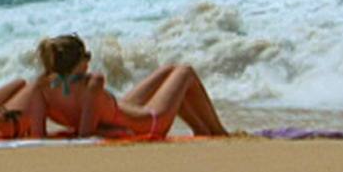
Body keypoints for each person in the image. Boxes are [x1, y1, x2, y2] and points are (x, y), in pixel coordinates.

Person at [28, 34, 229, 139]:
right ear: (79, 63)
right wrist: (107, 134)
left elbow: (38, 135)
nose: (89, 61)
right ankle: (218, 132)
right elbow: (86, 134)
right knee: (185, 71)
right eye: (86, 56)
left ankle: (202, 129)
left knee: (168, 70)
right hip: (149, 124)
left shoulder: (41, 87)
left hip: (122, 111)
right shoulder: (92, 84)